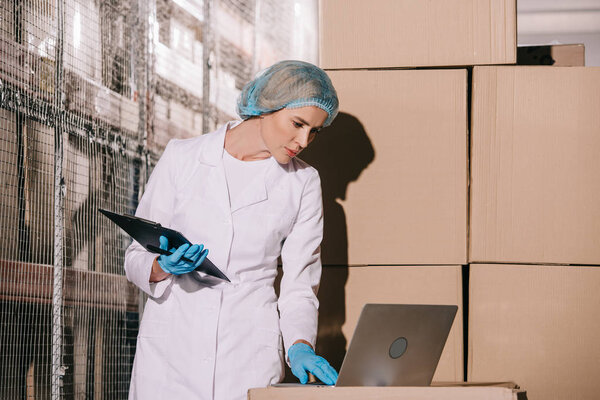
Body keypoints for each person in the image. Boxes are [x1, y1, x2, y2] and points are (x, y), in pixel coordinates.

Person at [124, 60, 339, 399]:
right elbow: (136, 254)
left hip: (247, 351)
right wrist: (161, 267)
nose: (304, 140)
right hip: (172, 352)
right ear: (268, 106)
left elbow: (299, 283)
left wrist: (298, 345)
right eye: (297, 124)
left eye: (314, 131)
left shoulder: (303, 182)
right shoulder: (182, 157)